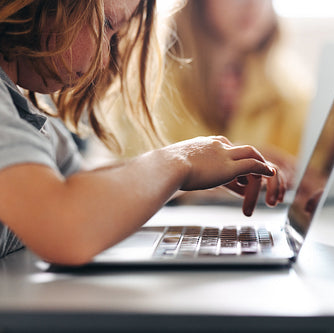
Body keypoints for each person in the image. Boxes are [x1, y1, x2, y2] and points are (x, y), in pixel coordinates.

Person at [0, 0, 285, 265]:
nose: (102, 62)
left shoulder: (23, 113)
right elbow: (65, 228)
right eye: (108, 24)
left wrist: (196, 168)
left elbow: (81, 187)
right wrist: (179, 162)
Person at [108, 0, 311, 199]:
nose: (253, 4)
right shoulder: (148, 83)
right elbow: (134, 178)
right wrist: (212, 170)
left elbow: (313, 168)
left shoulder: (290, 89)